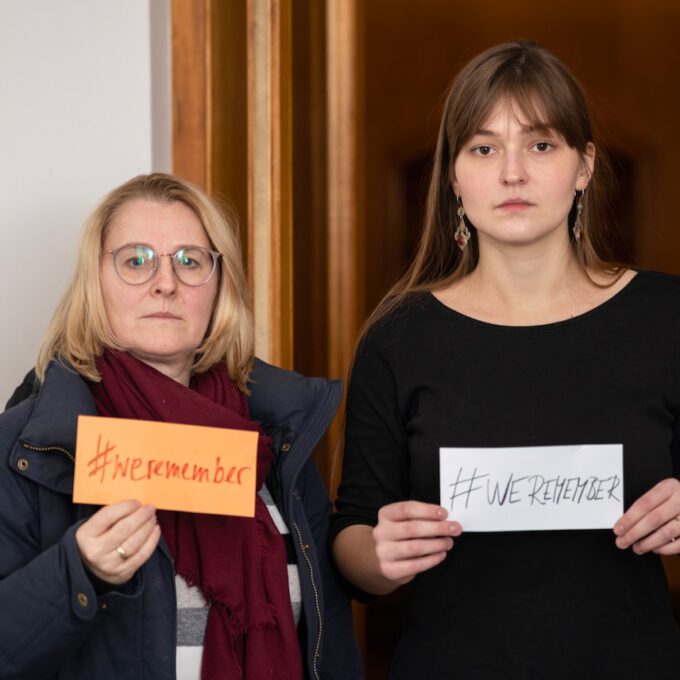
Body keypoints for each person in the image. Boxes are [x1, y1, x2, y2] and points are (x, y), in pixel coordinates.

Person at [331, 40, 680, 679]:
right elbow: (353, 544)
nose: (512, 173)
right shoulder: (398, 335)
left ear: (585, 166)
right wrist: (380, 553)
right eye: (484, 148)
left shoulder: (667, 316)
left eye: (541, 145)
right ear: (454, 176)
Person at [0, 173, 362, 680]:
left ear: (218, 287)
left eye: (190, 261)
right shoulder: (25, 444)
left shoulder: (276, 437)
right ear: (94, 282)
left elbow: (330, 637)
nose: (165, 283)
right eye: (136, 260)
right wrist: (78, 571)